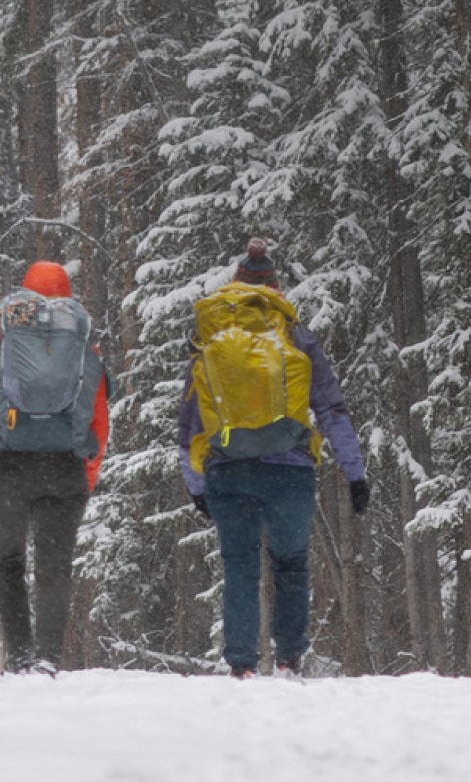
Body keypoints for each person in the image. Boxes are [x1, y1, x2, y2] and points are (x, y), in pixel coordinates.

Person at [176, 237, 367, 678]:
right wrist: (354, 473)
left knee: (240, 564)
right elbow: (330, 408)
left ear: (234, 287)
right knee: (290, 563)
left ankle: (242, 665)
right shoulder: (295, 334)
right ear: (276, 290)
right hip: (289, 468)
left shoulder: (210, 336)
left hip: (227, 466)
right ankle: (288, 659)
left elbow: (190, 422)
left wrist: (197, 484)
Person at [0, 261, 111, 675]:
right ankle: (47, 659)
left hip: (8, 470)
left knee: (7, 563)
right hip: (64, 469)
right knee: (54, 568)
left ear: (24, 294)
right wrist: (85, 478)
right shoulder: (84, 349)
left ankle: (20, 658)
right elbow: (98, 423)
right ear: (67, 296)